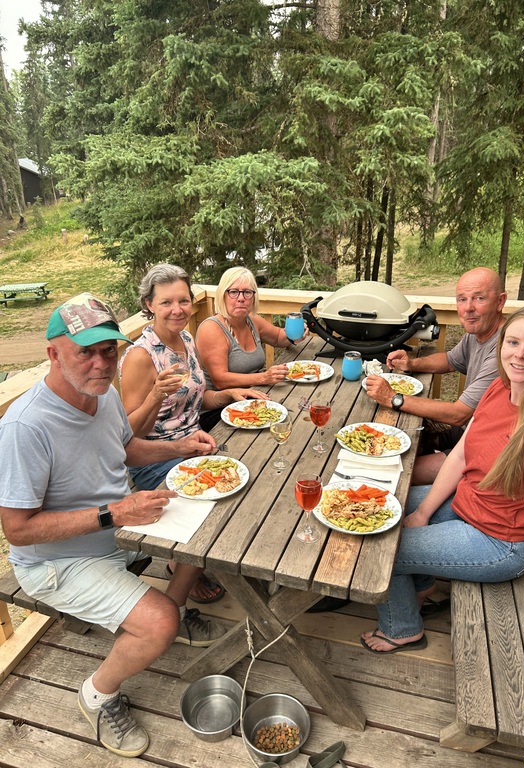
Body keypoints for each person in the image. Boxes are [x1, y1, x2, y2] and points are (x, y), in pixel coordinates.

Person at [0, 292, 229, 758]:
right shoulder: (26, 427)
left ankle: (173, 613)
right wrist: (115, 514)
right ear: (54, 353)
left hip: (118, 533)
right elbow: (17, 530)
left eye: (108, 350)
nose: (100, 363)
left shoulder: (100, 396)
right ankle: (98, 696)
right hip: (57, 562)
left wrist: (180, 447)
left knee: (210, 523)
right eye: (85, 351)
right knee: (158, 622)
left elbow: (124, 450)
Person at [361, 303, 524, 655]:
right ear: (501, 345)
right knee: (380, 505)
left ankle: (401, 629)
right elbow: (460, 455)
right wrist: (423, 512)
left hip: (502, 542)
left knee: (382, 549)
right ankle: (425, 583)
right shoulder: (498, 389)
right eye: (513, 343)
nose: (520, 355)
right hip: (467, 504)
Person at [119, 264, 267, 601]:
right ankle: (176, 596)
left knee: (253, 478)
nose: (177, 310)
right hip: (153, 459)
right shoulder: (141, 356)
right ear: (148, 304)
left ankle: (213, 563)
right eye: (166, 302)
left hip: (196, 444)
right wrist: (156, 395)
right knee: (217, 505)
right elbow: (129, 435)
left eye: (183, 301)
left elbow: (196, 402)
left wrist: (227, 396)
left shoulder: (186, 338)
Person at [365, 267, 507, 484]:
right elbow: (451, 360)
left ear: (500, 301)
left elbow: (458, 414)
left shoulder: (506, 350)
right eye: (462, 299)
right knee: (400, 443)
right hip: (469, 431)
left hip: (491, 451)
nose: (468, 308)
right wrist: (412, 363)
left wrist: (394, 398)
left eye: (479, 298)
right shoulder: (479, 332)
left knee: (393, 472)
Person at [195, 266, 307, 430]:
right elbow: (220, 380)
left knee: (298, 413)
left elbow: (277, 337)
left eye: (247, 292)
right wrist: (264, 378)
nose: (241, 298)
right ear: (222, 295)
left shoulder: (252, 321)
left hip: (253, 398)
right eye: (233, 292)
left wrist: (295, 333)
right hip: (220, 410)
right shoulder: (211, 328)